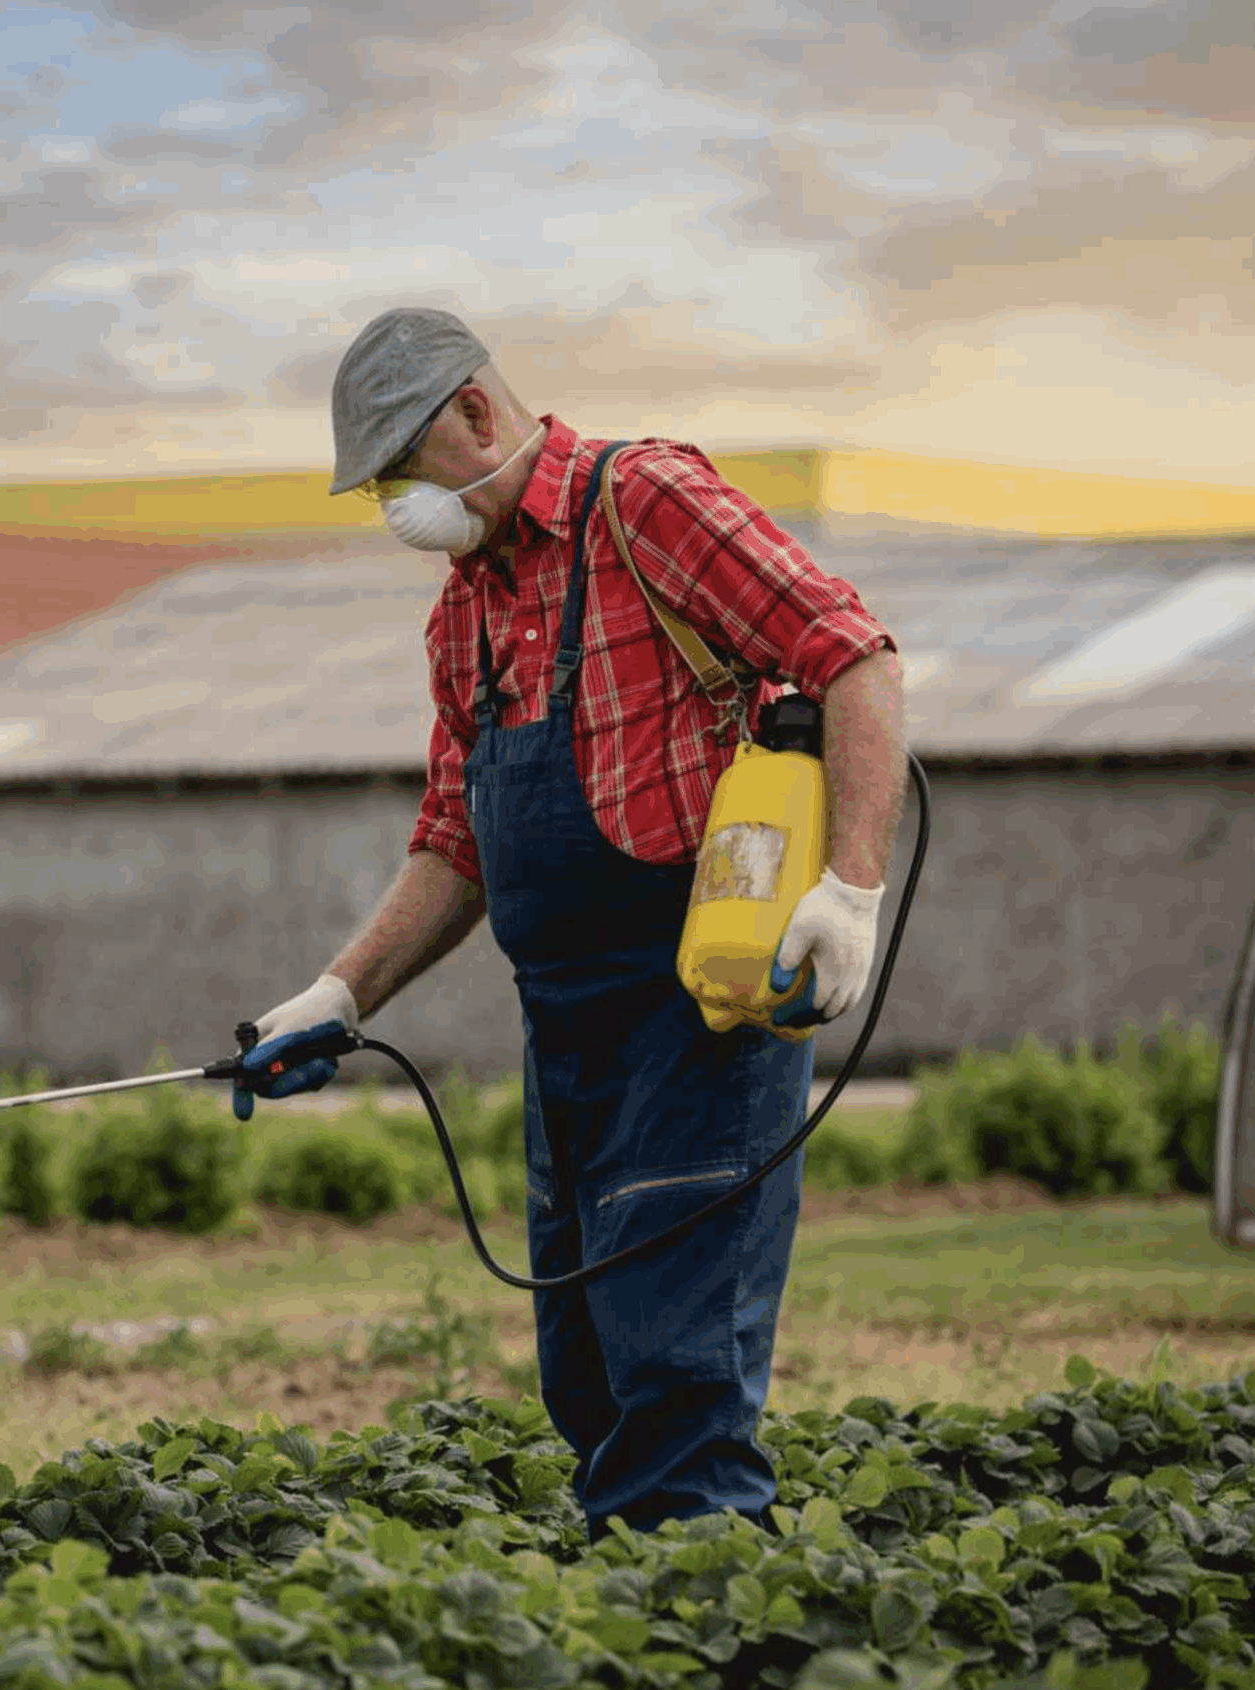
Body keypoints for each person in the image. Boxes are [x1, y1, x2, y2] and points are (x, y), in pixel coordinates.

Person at [234, 305, 908, 1542]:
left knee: (675, 1372)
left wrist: (850, 887)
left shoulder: (644, 504)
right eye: (377, 488)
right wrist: (338, 994)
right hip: (566, 1034)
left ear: (474, 413)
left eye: (400, 470)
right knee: (590, 1373)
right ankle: (633, 1596)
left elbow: (853, 656)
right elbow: (455, 838)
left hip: (699, 1013)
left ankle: (710, 1601)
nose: (397, 508)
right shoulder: (465, 611)